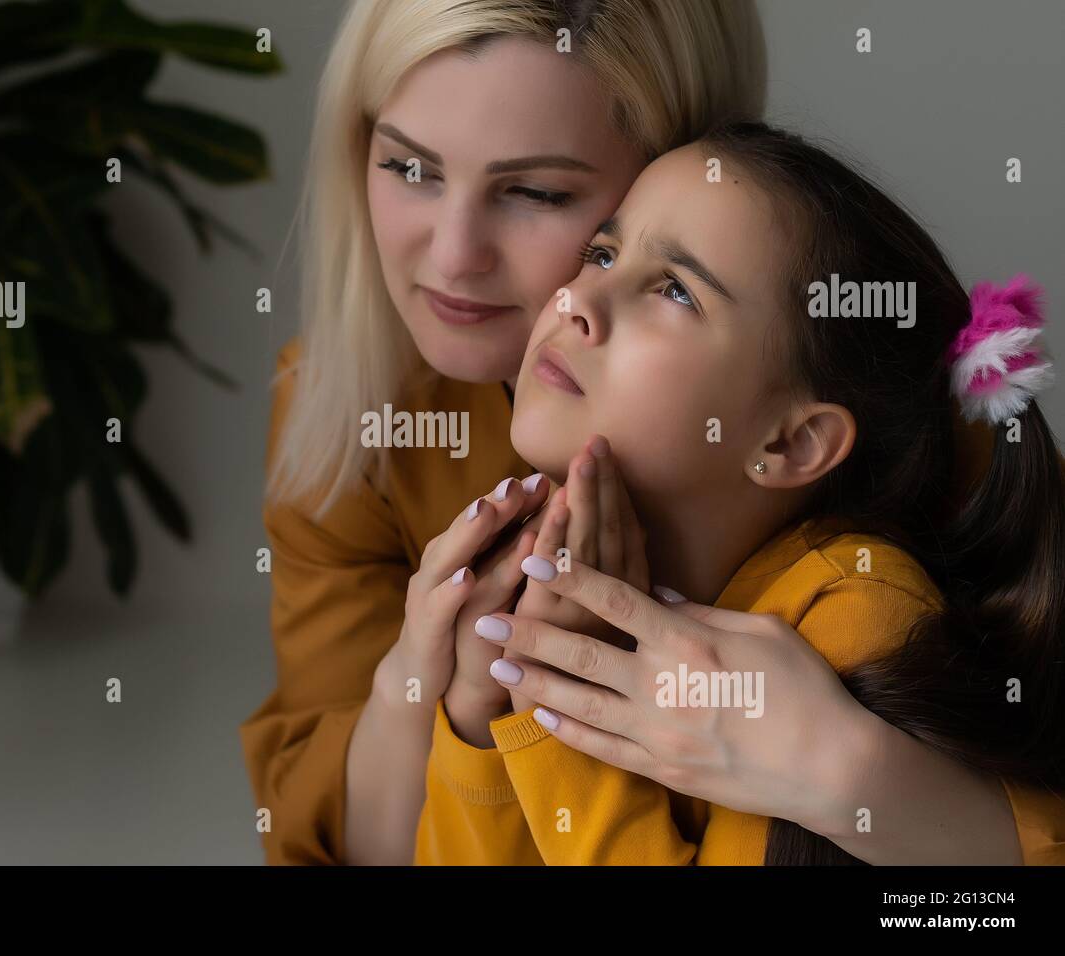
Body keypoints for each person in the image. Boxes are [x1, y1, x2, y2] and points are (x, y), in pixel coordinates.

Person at [241, 0, 1063, 865]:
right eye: (410, 167)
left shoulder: (906, 470)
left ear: (675, 162)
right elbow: (368, 846)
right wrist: (454, 694)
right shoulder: (345, 408)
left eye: (536, 192)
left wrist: (853, 772)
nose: (453, 257)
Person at [414, 122, 1065, 864]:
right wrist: (477, 708)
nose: (576, 302)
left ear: (790, 444)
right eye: (601, 252)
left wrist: (553, 713)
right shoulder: (547, 576)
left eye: (674, 291)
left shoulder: (848, 619)